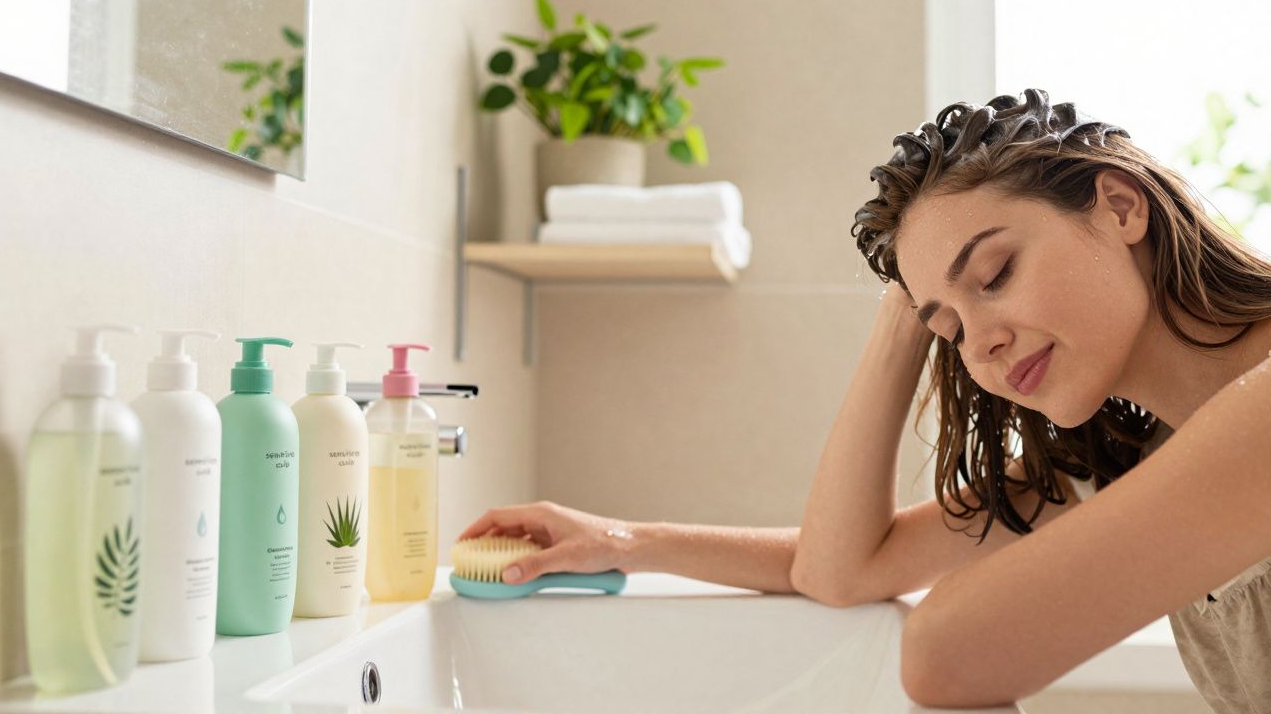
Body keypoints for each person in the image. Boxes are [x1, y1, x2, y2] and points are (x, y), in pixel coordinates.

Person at [457, 88, 1271, 712]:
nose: (979, 343)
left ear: (1121, 206)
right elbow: (841, 566)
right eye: (949, 329)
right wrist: (623, 540)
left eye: (995, 275)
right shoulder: (1135, 457)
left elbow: (944, 651)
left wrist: (930, 286)